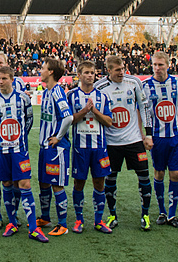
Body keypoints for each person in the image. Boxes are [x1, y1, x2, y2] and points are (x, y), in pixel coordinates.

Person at [0, 65, 48, 243]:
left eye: (4, 78)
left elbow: (29, 120)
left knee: (25, 184)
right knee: (6, 183)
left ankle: (33, 228)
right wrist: (0, 140)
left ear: (12, 79)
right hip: (0, 150)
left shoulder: (23, 99)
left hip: (19, 150)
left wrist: (20, 137)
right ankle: (12, 222)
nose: (0, 82)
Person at [94, 54, 153, 230]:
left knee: (144, 176)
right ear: (108, 70)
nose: (122, 72)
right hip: (111, 142)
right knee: (110, 179)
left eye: (123, 69)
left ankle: (145, 215)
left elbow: (144, 108)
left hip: (134, 140)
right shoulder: (100, 87)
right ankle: (112, 214)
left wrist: (148, 134)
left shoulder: (134, 82)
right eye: (117, 70)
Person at [142, 51, 178, 229]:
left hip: (175, 136)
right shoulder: (145, 85)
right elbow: (142, 111)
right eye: (154, 64)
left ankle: (172, 213)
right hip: (157, 138)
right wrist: (145, 134)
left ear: (168, 65)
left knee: (175, 174)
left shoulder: (177, 83)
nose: (157, 68)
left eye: (160, 65)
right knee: (159, 173)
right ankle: (162, 211)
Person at [67, 60, 113, 234]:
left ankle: (98, 220)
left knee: (99, 183)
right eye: (86, 72)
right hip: (80, 147)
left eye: (92, 73)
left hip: (99, 147)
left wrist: (95, 112)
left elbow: (109, 122)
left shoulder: (102, 97)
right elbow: (69, 120)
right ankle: (79, 220)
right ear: (79, 75)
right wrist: (85, 110)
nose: (90, 75)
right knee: (79, 183)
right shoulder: (71, 96)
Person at [0, 50, 28, 229]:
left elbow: (27, 116)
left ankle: (14, 214)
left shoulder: (18, 83)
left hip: (15, 139)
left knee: (16, 178)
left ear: (6, 62)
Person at [35, 57, 72, 236]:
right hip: (45, 146)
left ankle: (63, 224)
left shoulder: (57, 91)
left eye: (43, 68)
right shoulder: (47, 91)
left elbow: (68, 117)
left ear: (50, 72)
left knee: (56, 184)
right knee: (43, 182)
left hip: (56, 148)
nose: (40, 70)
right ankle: (45, 218)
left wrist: (58, 137)